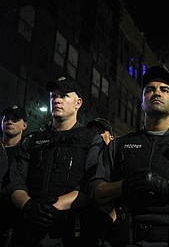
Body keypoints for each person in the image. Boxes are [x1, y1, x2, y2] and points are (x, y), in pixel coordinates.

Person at [89, 65, 169, 247]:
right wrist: (126, 185)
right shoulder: (119, 145)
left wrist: (167, 186)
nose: (157, 93)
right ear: (142, 102)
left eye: (164, 90)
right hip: (128, 239)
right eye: (150, 90)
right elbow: (96, 191)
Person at [7, 76, 104, 246]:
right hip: (30, 231)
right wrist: (29, 205)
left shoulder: (91, 141)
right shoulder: (32, 140)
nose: (57, 100)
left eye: (64, 95)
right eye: (53, 96)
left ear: (78, 103)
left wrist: (54, 206)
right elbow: (15, 181)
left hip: (70, 233)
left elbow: (92, 185)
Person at [0, 105, 28, 246]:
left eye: (15, 119)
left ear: (24, 125)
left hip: (14, 218)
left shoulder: (27, 153)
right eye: (6, 119)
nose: (9, 122)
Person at [86, 117, 115, 246]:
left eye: (100, 132)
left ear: (111, 137)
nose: (95, 136)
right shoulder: (85, 156)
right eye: (92, 132)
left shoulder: (116, 159)